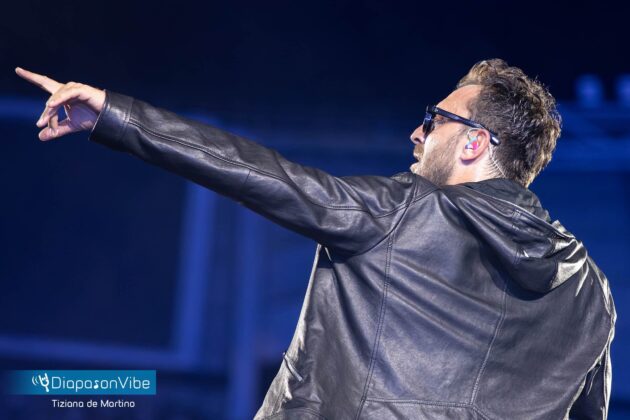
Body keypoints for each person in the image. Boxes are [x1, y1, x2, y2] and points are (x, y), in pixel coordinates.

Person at [16, 59, 616, 419]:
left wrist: (113, 114)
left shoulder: (404, 211)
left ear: (474, 142)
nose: (417, 133)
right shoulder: (592, 294)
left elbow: (260, 173)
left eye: (433, 120)